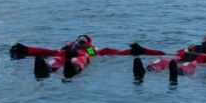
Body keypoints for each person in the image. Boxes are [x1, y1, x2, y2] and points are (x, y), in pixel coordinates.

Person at [10, 35, 140, 79]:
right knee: (56, 57)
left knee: (79, 60)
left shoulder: (89, 48)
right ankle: (49, 67)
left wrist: (130, 51)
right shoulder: (69, 45)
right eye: (79, 39)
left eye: (83, 40)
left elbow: (104, 52)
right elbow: (52, 51)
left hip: (81, 56)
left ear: (88, 42)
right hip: (64, 54)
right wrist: (27, 49)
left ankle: (74, 68)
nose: (80, 41)